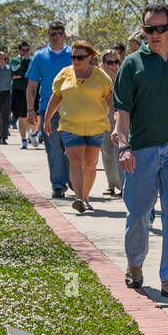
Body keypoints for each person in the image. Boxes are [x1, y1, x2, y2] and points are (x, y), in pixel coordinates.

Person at [111, 3, 168, 301]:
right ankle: (135, 264)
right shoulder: (133, 64)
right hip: (142, 148)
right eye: (148, 29)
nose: (154, 34)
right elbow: (122, 109)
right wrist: (123, 145)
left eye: (160, 28)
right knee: (139, 213)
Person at [43, 41, 114, 214]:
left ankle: (86, 197)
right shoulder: (64, 74)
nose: (76, 60)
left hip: (95, 126)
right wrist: (47, 119)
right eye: (73, 57)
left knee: (90, 164)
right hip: (70, 125)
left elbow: (109, 98)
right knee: (75, 162)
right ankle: (79, 199)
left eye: (80, 57)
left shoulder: (100, 76)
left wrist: (118, 118)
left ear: (90, 57)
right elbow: (56, 97)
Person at [26, 22, 74, 198]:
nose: (56, 36)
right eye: (52, 33)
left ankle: (72, 178)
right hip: (48, 110)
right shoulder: (39, 57)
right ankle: (58, 184)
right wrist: (30, 109)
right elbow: (32, 85)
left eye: (59, 33)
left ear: (64, 35)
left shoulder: (73, 54)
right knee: (53, 148)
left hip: (72, 109)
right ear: (48, 35)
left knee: (71, 146)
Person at [99, 48, 125, 196]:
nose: (113, 65)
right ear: (103, 64)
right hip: (103, 116)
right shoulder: (99, 76)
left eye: (116, 62)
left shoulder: (123, 74)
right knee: (107, 150)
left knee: (119, 149)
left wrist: (115, 77)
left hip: (120, 115)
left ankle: (123, 185)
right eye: (109, 62)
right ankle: (111, 183)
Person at [9, 41, 32, 149]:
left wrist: (22, 74)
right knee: (21, 116)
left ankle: (32, 133)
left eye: (27, 50)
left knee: (34, 115)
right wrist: (23, 62)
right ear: (19, 50)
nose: (26, 52)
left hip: (30, 90)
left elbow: (31, 74)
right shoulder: (14, 60)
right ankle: (24, 139)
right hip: (18, 91)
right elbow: (15, 72)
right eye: (23, 50)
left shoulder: (32, 60)